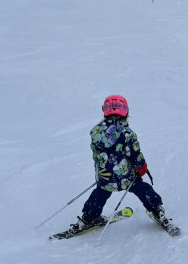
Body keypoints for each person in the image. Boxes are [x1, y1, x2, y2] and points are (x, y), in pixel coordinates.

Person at [64, 95, 173, 235]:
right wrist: (141, 168)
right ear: (126, 113)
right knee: (143, 188)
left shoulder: (95, 132)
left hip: (105, 177)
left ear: (105, 111)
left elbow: (96, 154)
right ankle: (157, 210)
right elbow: (135, 154)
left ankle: (89, 217)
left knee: (99, 194)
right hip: (127, 178)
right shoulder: (128, 134)